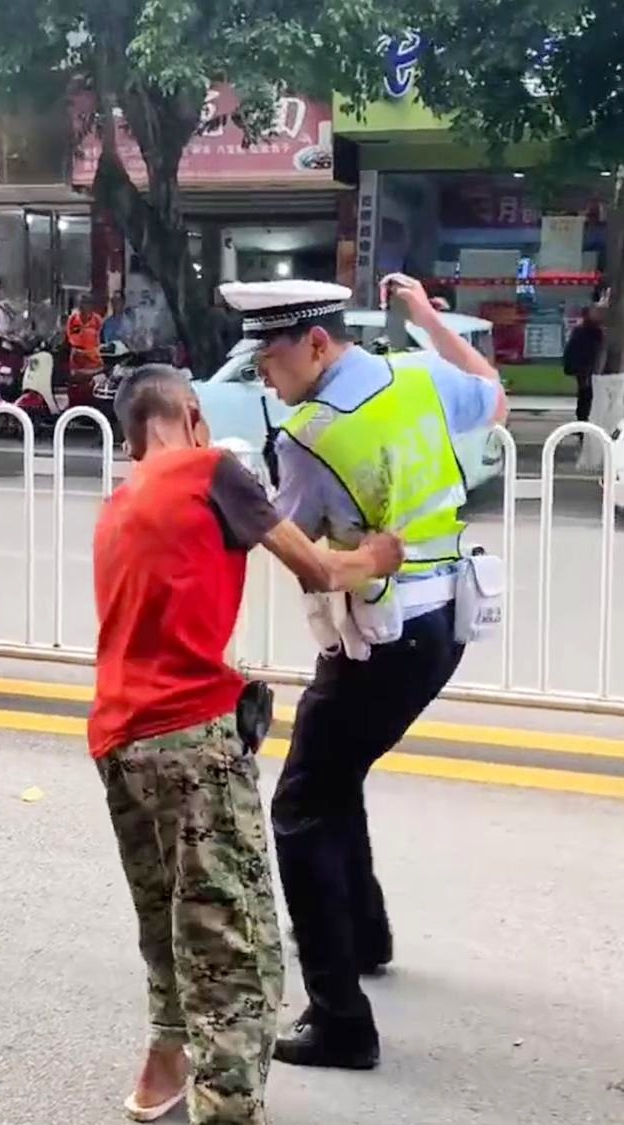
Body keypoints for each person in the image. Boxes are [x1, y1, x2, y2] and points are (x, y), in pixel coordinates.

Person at [89, 364, 403, 1125]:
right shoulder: (213, 470)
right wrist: (382, 554)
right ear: (193, 416)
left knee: (167, 917)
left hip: (117, 740)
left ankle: (161, 1072)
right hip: (190, 740)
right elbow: (319, 567)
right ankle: (227, 1111)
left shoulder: (120, 501)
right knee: (236, 945)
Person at [221, 275, 508, 1071]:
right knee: (337, 772)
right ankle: (367, 933)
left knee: (302, 805)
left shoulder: (312, 434)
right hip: (445, 625)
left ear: (317, 344)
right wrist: (424, 318)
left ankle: (341, 1020)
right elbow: (494, 394)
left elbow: (309, 561)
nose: (264, 376)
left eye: (270, 359)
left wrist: (241, 506)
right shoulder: (416, 373)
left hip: (381, 639)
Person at [563, 305, 604, 423]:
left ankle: (583, 421)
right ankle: (583, 421)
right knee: (586, 395)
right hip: (586, 368)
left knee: (586, 395)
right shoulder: (589, 331)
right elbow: (573, 350)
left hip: (588, 368)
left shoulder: (591, 331)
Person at [66, 292, 104, 373]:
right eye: (80, 303)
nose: (82, 306)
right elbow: (69, 338)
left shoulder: (98, 320)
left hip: (94, 364)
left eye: (85, 303)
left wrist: (88, 353)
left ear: (91, 305)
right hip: (76, 364)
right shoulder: (72, 319)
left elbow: (102, 342)